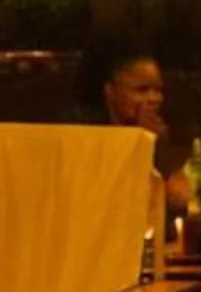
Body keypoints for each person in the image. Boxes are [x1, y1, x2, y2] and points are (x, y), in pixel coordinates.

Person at [82, 46, 194, 211]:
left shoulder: (170, 127)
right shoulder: (89, 131)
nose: (154, 98)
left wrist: (156, 143)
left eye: (158, 90)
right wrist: (140, 140)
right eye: (142, 90)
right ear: (110, 91)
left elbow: (182, 195)